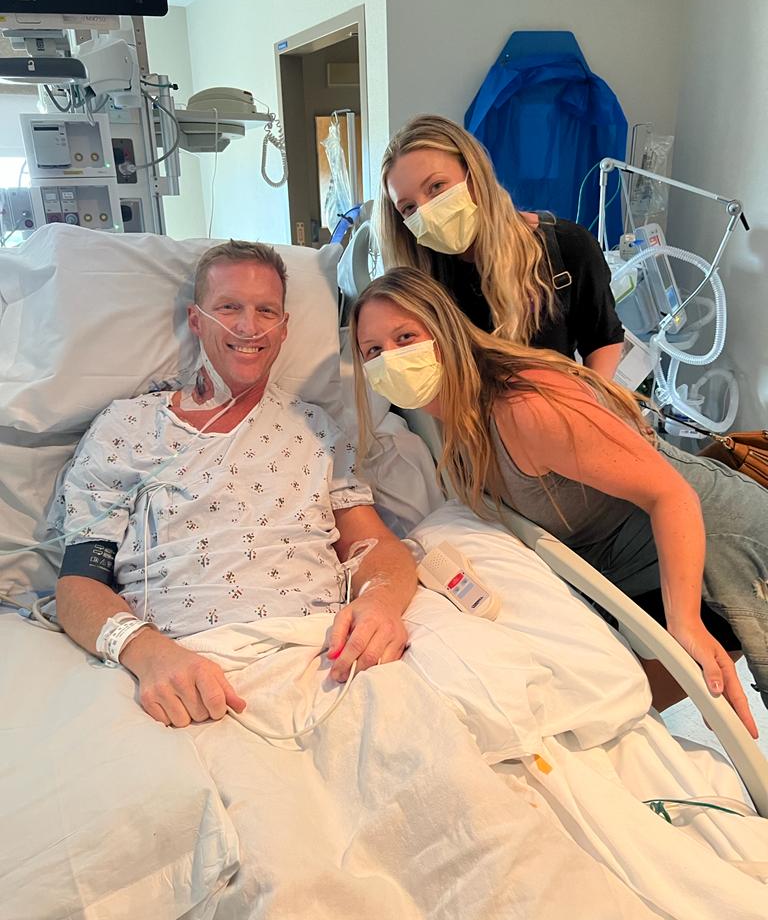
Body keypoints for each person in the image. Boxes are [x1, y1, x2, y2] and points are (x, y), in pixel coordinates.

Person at [349, 266, 768, 738]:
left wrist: (684, 622)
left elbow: (671, 495)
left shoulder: (524, 407)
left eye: (406, 337)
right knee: (613, 715)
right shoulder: (454, 418)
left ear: (444, 329)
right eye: (373, 351)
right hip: (641, 569)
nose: (391, 359)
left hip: (720, 543)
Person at [51, 240, 416, 728]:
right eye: (229, 307)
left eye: (266, 311)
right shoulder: (127, 428)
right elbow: (79, 585)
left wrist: (380, 601)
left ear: (283, 329)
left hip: (320, 655)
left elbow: (378, 548)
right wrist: (146, 652)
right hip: (181, 664)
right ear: (196, 319)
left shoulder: (316, 430)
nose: (249, 327)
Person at [377, 114, 625, 380]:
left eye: (437, 186)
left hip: (555, 404)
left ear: (474, 174)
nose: (426, 213)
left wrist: (589, 401)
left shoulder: (567, 248)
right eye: (409, 207)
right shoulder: (423, 280)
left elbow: (603, 338)